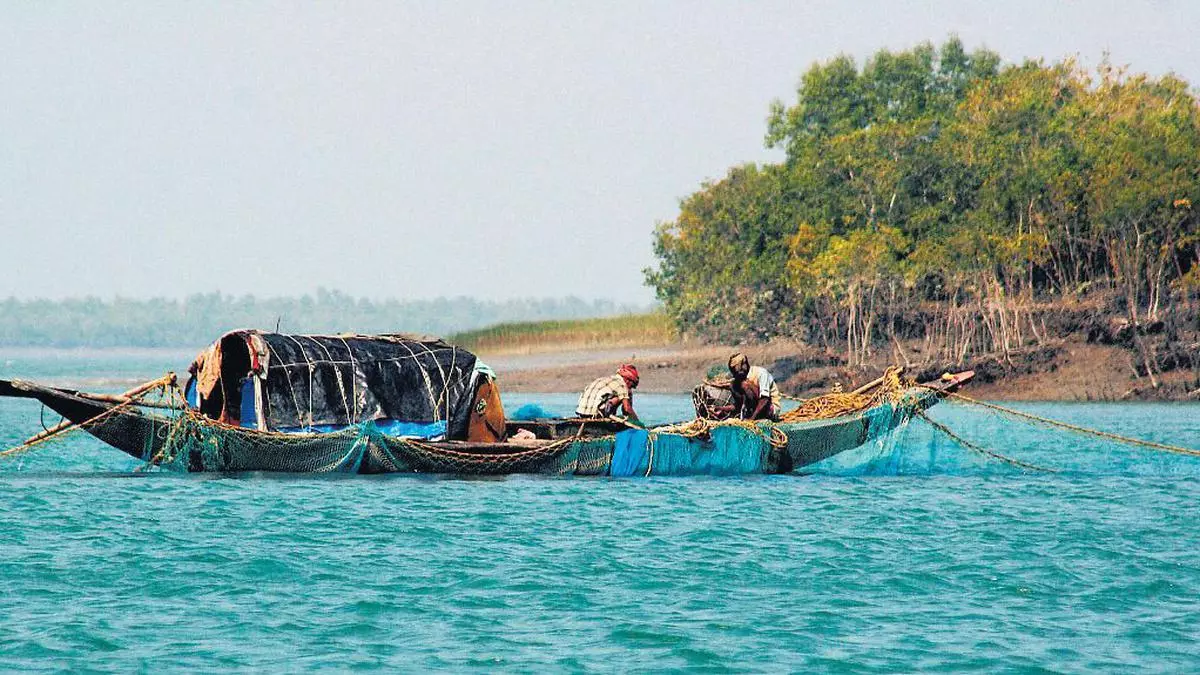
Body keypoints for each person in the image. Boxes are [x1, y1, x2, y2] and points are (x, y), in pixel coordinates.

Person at [576, 364, 641, 425]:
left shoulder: (603, 379)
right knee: (621, 397)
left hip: (581, 413)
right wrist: (638, 422)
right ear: (628, 380)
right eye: (631, 386)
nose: (630, 388)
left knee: (619, 396)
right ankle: (606, 419)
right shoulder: (622, 385)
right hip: (595, 414)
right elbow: (627, 409)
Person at [727, 352, 780, 420]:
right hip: (753, 409)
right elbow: (738, 405)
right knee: (732, 384)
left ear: (744, 365)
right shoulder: (740, 379)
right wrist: (720, 409)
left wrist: (752, 419)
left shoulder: (761, 373)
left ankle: (754, 416)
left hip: (770, 409)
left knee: (745, 385)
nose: (735, 375)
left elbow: (764, 399)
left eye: (737, 372)